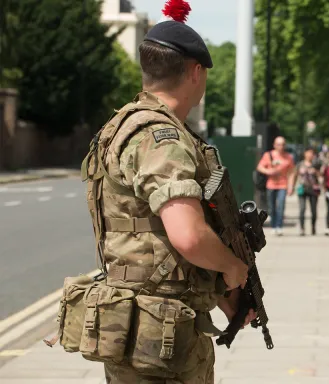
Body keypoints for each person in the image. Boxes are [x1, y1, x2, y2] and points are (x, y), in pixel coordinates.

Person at [72, 2, 257, 382]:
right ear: (195, 71)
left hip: (146, 323)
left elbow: (155, 244)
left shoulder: (119, 126)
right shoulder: (162, 137)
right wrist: (233, 267)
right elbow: (187, 236)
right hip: (160, 336)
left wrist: (226, 296)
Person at [257, 136, 295, 236]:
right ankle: (273, 226)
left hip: (283, 185)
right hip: (271, 185)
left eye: (283, 144)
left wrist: (291, 186)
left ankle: (279, 226)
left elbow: (291, 173)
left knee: (281, 206)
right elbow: (260, 167)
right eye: (278, 144)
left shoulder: (288, 157)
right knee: (272, 207)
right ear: (274, 145)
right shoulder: (268, 155)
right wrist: (268, 171)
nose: (281, 146)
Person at [292, 147, 321, 236]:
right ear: (305, 154)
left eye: (311, 153)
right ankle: (302, 228)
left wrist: (315, 171)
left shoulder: (316, 164)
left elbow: (321, 176)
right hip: (302, 188)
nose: (310, 155)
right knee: (302, 209)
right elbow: (295, 175)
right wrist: (292, 187)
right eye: (308, 153)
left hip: (313, 189)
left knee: (313, 210)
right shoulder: (300, 164)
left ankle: (313, 227)